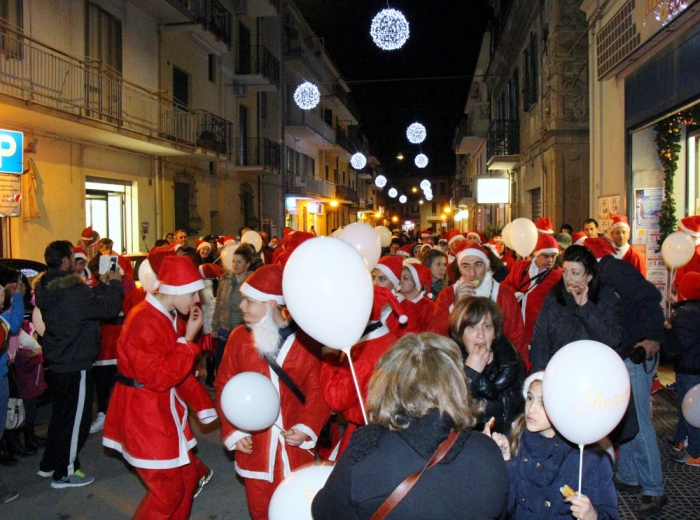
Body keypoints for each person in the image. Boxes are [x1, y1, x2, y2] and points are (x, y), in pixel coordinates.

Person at [312, 333, 509, 519]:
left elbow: (324, 512)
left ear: (388, 383)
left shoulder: (365, 450)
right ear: (457, 384)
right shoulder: (488, 452)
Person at [103, 255, 215, 519]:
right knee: (169, 490)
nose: (196, 300)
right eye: (192, 294)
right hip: (146, 415)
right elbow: (159, 377)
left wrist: (202, 405)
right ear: (175, 291)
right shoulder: (144, 320)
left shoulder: (165, 315)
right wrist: (188, 340)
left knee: (187, 479)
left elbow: (177, 372)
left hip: (160, 411)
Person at [214, 265, 329, 520]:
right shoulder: (238, 338)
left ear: (271, 305)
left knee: (298, 508)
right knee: (260, 509)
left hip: (294, 446)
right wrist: (234, 429)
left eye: (249, 301)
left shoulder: (306, 341)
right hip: (255, 445)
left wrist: (307, 428)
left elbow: (318, 391)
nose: (241, 307)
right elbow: (224, 384)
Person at [589, 236, 667, 515]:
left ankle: (654, 489)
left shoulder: (611, 271)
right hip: (628, 351)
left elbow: (649, 298)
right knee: (629, 414)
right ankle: (630, 475)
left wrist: (653, 337)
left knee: (640, 420)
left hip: (637, 352)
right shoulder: (608, 272)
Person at [35, 240, 123, 488]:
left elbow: (85, 301)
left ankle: (50, 463)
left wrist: (103, 284)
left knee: (61, 415)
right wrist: (115, 284)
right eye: (72, 257)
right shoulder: (73, 291)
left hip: (60, 359)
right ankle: (65, 472)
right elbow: (109, 309)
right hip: (76, 361)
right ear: (65, 261)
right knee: (77, 420)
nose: (75, 261)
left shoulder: (47, 286)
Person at [491, 372, 618, 519]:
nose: (531, 409)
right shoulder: (515, 443)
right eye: (530, 398)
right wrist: (506, 463)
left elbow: (610, 515)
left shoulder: (590, 459)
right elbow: (502, 511)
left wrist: (593, 516)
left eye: (543, 403)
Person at [320, 287, 401, 457]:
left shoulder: (363, 353)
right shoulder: (391, 340)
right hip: (390, 433)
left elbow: (337, 398)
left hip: (364, 435)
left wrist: (329, 359)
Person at [530, 244, 622, 372]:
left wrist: (586, 307)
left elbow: (613, 339)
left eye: (575, 273)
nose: (568, 278)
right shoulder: (554, 298)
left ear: (589, 276)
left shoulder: (606, 298)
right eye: (565, 271)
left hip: (596, 374)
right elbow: (540, 342)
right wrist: (538, 377)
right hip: (560, 372)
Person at [431, 243, 527, 359]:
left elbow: (518, 340)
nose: (472, 273)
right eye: (465, 266)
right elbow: (436, 337)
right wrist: (455, 306)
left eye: (478, 265)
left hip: (497, 366)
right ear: (459, 269)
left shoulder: (504, 296)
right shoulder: (447, 295)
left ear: (487, 267)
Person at [449, 297, 525, 433]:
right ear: (460, 334)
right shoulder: (449, 367)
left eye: (487, 326)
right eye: (472, 327)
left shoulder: (513, 362)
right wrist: (470, 373)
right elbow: (450, 419)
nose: (481, 335)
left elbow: (522, 413)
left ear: (495, 333)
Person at [502, 233, 562, 368]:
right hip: (516, 323)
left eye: (554, 256)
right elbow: (506, 285)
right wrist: (513, 293)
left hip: (539, 328)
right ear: (537, 254)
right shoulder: (522, 267)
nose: (550, 260)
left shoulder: (558, 276)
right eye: (546, 256)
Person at [665, 272, 700, 467]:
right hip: (694, 367)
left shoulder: (685, 314)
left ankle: (695, 452)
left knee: (690, 409)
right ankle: (680, 438)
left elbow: (680, 345)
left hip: (689, 368)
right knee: (689, 407)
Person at [211, 245, 253, 380]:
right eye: (233, 261)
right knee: (221, 365)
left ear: (247, 264)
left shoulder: (251, 281)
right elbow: (218, 303)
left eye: (239, 262)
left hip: (241, 329)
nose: (235, 265)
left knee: (238, 367)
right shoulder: (225, 279)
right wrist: (214, 325)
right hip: (224, 328)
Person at [372, 256, 421, 337]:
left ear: (394, 283)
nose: (375, 283)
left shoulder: (408, 309)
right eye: (373, 277)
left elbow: (408, 344)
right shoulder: (366, 303)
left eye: (382, 279)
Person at [398, 262, 437, 330]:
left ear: (416, 282)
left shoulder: (429, 307)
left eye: (405, 278)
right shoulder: (396, 301)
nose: (400, 281)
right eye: (399, 277)